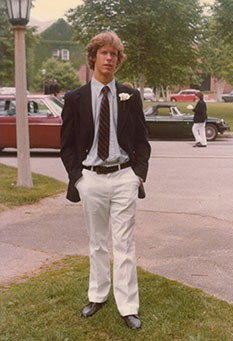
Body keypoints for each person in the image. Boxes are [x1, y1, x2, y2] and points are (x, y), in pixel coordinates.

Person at [60, 31, 151, 329]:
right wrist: (79, 179)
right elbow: (67, 146)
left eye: (114, 53)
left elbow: (142, 141)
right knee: (97, 242)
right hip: (91, 180)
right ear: (93, 56)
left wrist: (137, 175)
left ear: (118, 59)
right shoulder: (74, 99)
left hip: (124, 176)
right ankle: (97, 295)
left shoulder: (130, 96)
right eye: (104, 52)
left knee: (125, 243)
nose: (110, 58)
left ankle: (128, 306)